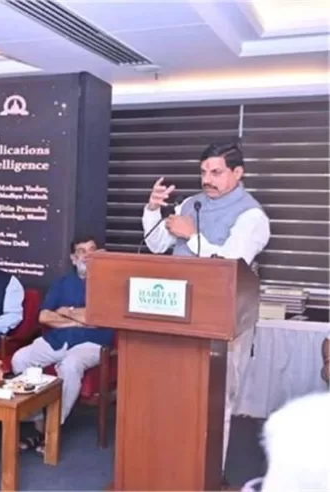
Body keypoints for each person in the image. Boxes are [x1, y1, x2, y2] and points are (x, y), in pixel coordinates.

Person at [141, 141, 271, 479]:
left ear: (238, 173)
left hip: (225, 321)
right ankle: (171, 469)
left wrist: (193, 235)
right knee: (175, 396)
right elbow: (158, 245)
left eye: (216, 172)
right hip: (179, 316)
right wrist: (153, 210)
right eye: (203, 172)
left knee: (215, 402)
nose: (207, 180)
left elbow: (231, 263)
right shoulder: (190, 203)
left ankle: (208, 476)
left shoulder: (252, 216)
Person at [11, 237, 114, 454]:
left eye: (92, 250)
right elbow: (44, 317)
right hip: (57, 339)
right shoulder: (62, 282)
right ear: (73, 258)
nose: (87, 255)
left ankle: (52, 428)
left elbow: (98, 319)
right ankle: (38, 419)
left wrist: (67, 311)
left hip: (92, 343)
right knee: (19, 359)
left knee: (70, 365)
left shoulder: (109, 282)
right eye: (81, 251)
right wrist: (78, 319)